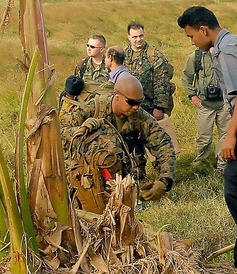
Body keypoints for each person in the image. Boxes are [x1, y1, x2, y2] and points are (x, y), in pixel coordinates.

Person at [177, 6, 237, 269]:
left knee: (235, 192)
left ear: (203, 30)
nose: (193, 42)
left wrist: (230, 137)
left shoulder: (226, 50)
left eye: (192, 36)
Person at [60, 74, 176, 203]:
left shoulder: (139, 117)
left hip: (119, 179)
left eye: (139, 103)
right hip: (86, 174)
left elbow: (162, 143)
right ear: (116, 95)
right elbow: (61, 131)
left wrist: (164, 180)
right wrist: (83, 131)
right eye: (131, 102)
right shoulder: (93, 108)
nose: (136, 107)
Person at [124, 21, 181, 155]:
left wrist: (159, 107)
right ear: (128, 37)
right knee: (134, 144)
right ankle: (139, 172)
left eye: (141, 36)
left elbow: (162, 83)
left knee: (156, 143)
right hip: (132, 108)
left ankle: (164, 171)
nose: (138, 39)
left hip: (150, 107)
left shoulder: (154, 55)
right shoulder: (124, 55)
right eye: (135, 37)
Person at [183, 47, 231, 171]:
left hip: (224, 103)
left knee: (225, 135)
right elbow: (186, 77)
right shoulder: (196, 57)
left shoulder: (225, 54)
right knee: (204, 137)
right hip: (205, 104)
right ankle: (200, 164)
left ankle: (223, 165)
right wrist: (193, 96)